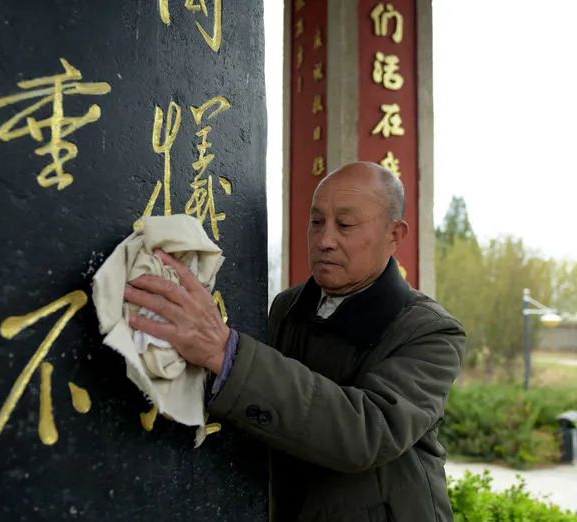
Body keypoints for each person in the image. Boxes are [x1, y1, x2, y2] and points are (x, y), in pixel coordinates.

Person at [124, 161, 465, 521]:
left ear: (394, 234)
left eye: (345, 225)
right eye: (316, 222)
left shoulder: (430, 331)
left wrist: (226, 354)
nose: (325, 240)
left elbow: (365, 433)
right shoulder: (288, 307)